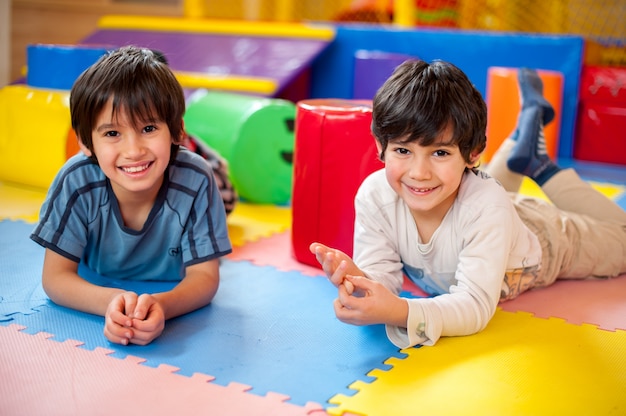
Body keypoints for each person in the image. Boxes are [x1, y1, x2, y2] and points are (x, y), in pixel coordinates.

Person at [310, 60, 626, 349]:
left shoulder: (487, 206)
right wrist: (362, 281)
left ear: (473, 154)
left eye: (440, 153)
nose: (418, 173)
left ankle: (541, 168)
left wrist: (401, 311)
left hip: (548, 239)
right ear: (381, 145)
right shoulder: (375, 196)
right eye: (403, 151)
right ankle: (521, 145)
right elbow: (383, 278)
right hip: (485, 210)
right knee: (467, 191)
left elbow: (474, 305)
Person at [30, 46, 232, 346]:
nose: (133, 150)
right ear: (86, 142)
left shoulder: (196, 180)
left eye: (148, 128)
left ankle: (202, 151)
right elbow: (55, 278)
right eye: (112, 134)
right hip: (159, 164)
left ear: (176, 129)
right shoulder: (76, 181)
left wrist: (162, 306)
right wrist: (112, 302)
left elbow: (204, 277)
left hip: (191, 171)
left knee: (225, 192)